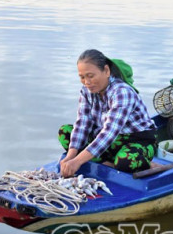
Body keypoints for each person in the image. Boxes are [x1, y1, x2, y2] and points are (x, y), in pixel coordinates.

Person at [58, 49, 157, 177]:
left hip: (136, 140)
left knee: (125, 162)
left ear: (106, 71)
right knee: (65, 132)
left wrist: (77, 161)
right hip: (108, 143)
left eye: (90, 76)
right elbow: (83, 123)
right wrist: (70, 157)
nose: (87, 82)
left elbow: (109, 133)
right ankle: (108, 163)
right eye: (82, 77)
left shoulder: (122, 92)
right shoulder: (87, 90)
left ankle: (135, 163)